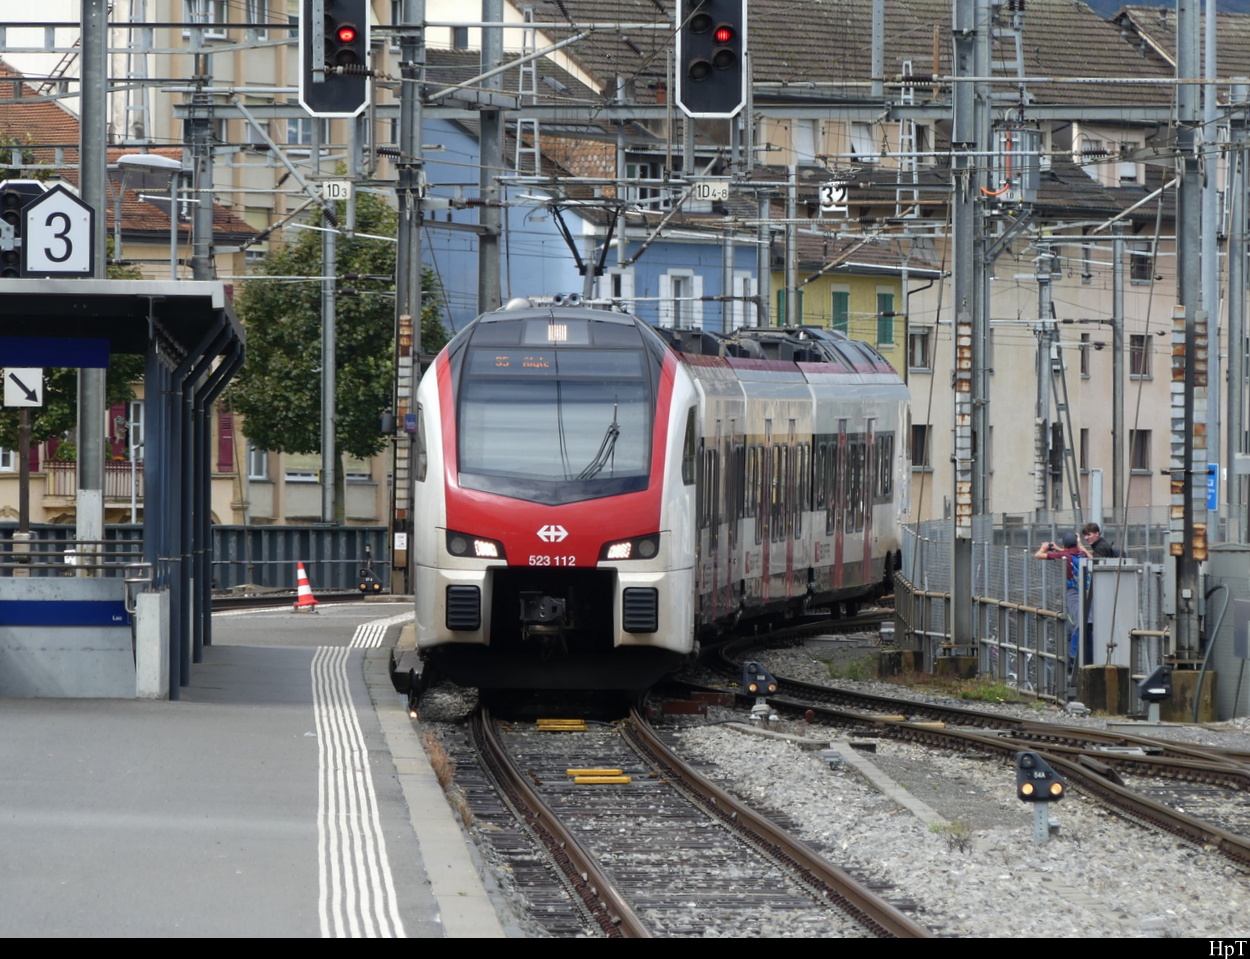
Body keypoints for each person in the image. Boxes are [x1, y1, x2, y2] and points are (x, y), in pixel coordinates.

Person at [1035, 532, 1090, 671]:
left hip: (1073, 592)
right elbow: (1087, 556)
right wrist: (1063, 548)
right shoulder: (1082, 554)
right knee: (1085, 621)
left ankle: (1073, 656)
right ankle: (1079, 654)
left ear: (1065, 545)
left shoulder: (1064, 556)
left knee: (1079, 622)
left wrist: (1044, 547)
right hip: (1087, 592)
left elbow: (1038, 555)